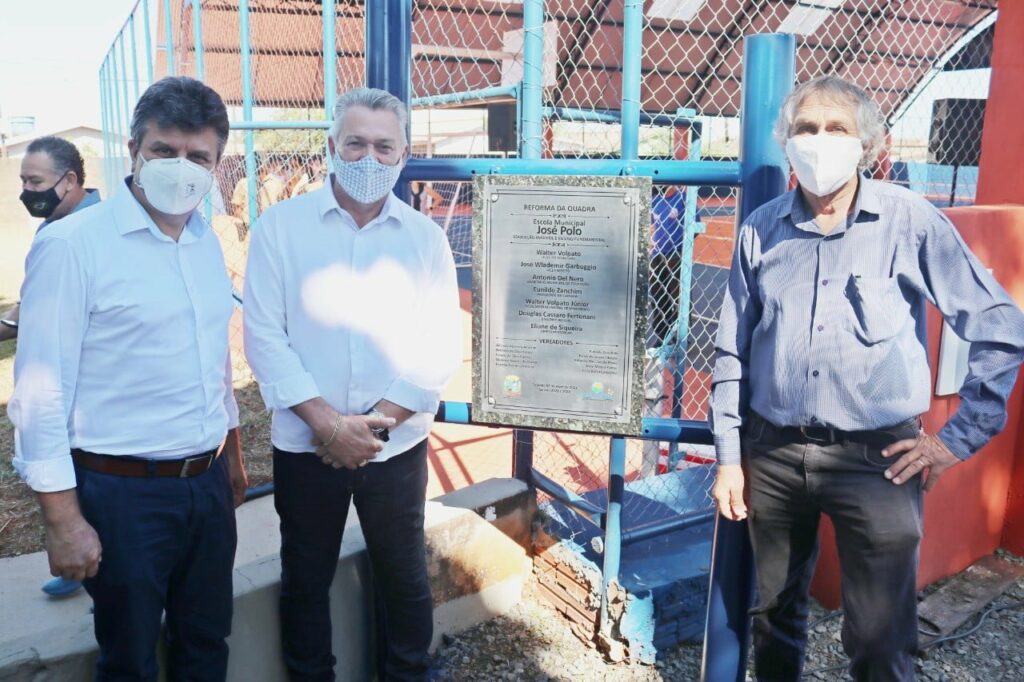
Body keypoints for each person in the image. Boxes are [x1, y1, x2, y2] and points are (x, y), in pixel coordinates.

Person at [709, 74, 1024, 682]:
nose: (819, 141)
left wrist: (954, 440)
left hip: (879, 461)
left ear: (869, 145)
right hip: (771, 454)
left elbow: (998, 324)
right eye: (806, 129)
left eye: (837, 129)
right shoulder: (761, 230)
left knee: (880, 638)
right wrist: (728, 457)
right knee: (772, 615)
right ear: (787, 143)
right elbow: (732, 352)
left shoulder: (909, 221)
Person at [8, 76, 248, 681]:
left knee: (206, 641)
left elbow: (212, 358)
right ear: (134, 150)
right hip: (123, 496)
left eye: (199, 157)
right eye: (165, 151)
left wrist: (233, 453)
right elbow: (40, 391)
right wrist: (63, 520)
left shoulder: (202, 241)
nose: (181, 167)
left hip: (207, 485)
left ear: (217, 163)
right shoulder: (73, 246)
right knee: (130, 658)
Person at [244, 87, 462, 682]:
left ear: (404, 154)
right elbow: (264, 336)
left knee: (404, 574)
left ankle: (406, 673)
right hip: (308, 445)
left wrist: (372, 427)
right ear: (331, 147)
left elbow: (439, 340)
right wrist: (328, 425)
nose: (369, 158)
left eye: (384, 146)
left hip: (395, 447)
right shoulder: (280, 229)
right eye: (356, 143)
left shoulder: (424, 239)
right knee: (306, 575)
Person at [0, 137, 102, 344]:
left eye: (36, 181)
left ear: (70, 181)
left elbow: (41, 309)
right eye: (24, 181)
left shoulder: (97, 230)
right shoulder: (50, 226)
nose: (26, 190)